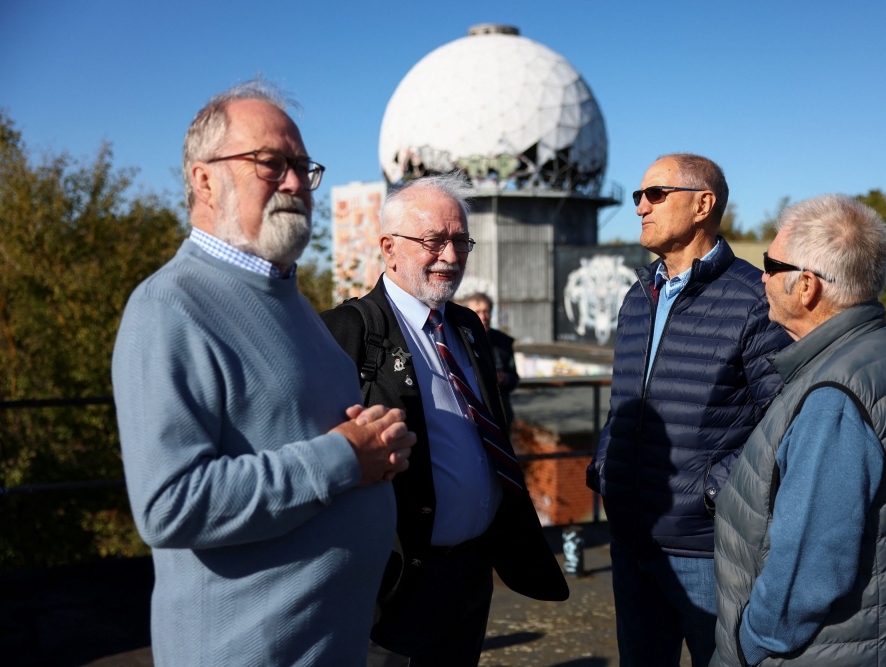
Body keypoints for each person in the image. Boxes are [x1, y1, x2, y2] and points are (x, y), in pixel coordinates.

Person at [112, 80, 414, 667]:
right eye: (271, 163)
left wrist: (376, 447)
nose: (297, 182)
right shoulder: (169, 308)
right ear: (204, 179)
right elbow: (169, 504)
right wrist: (344, 459)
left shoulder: (292, 301)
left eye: (303, 166)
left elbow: (310, 440)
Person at [321, 174, 567, 667]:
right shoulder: (343, 333)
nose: (451, 256)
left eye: (460, 241)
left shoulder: (467, 325)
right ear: (389, 249)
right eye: (434, 241)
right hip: (393, 591)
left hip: (471, 577)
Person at [711, 195, 886, 667]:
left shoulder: (833, 398)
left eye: (770, 264)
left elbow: (808, 572)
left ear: (807, 287)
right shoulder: (879, 348)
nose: (761, 277)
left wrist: (749, 644)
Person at [586, 154, 791, 667]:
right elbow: (624, 403)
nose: (639, 208)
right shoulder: (639, 296)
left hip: (706, 548)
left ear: (703, 205)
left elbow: (784, 419)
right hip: (633, 538)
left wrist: (713, 490)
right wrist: (606, 468)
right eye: (638, 196)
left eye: (655, 194)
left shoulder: (752, 298)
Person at [465, 292, 520, 432]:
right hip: (469, 415)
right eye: (477, 312)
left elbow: (514, 378)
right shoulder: (458, 340)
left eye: (486, 311)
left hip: (500, 414)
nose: (483, 317)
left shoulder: (503, 342)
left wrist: (504, 379)